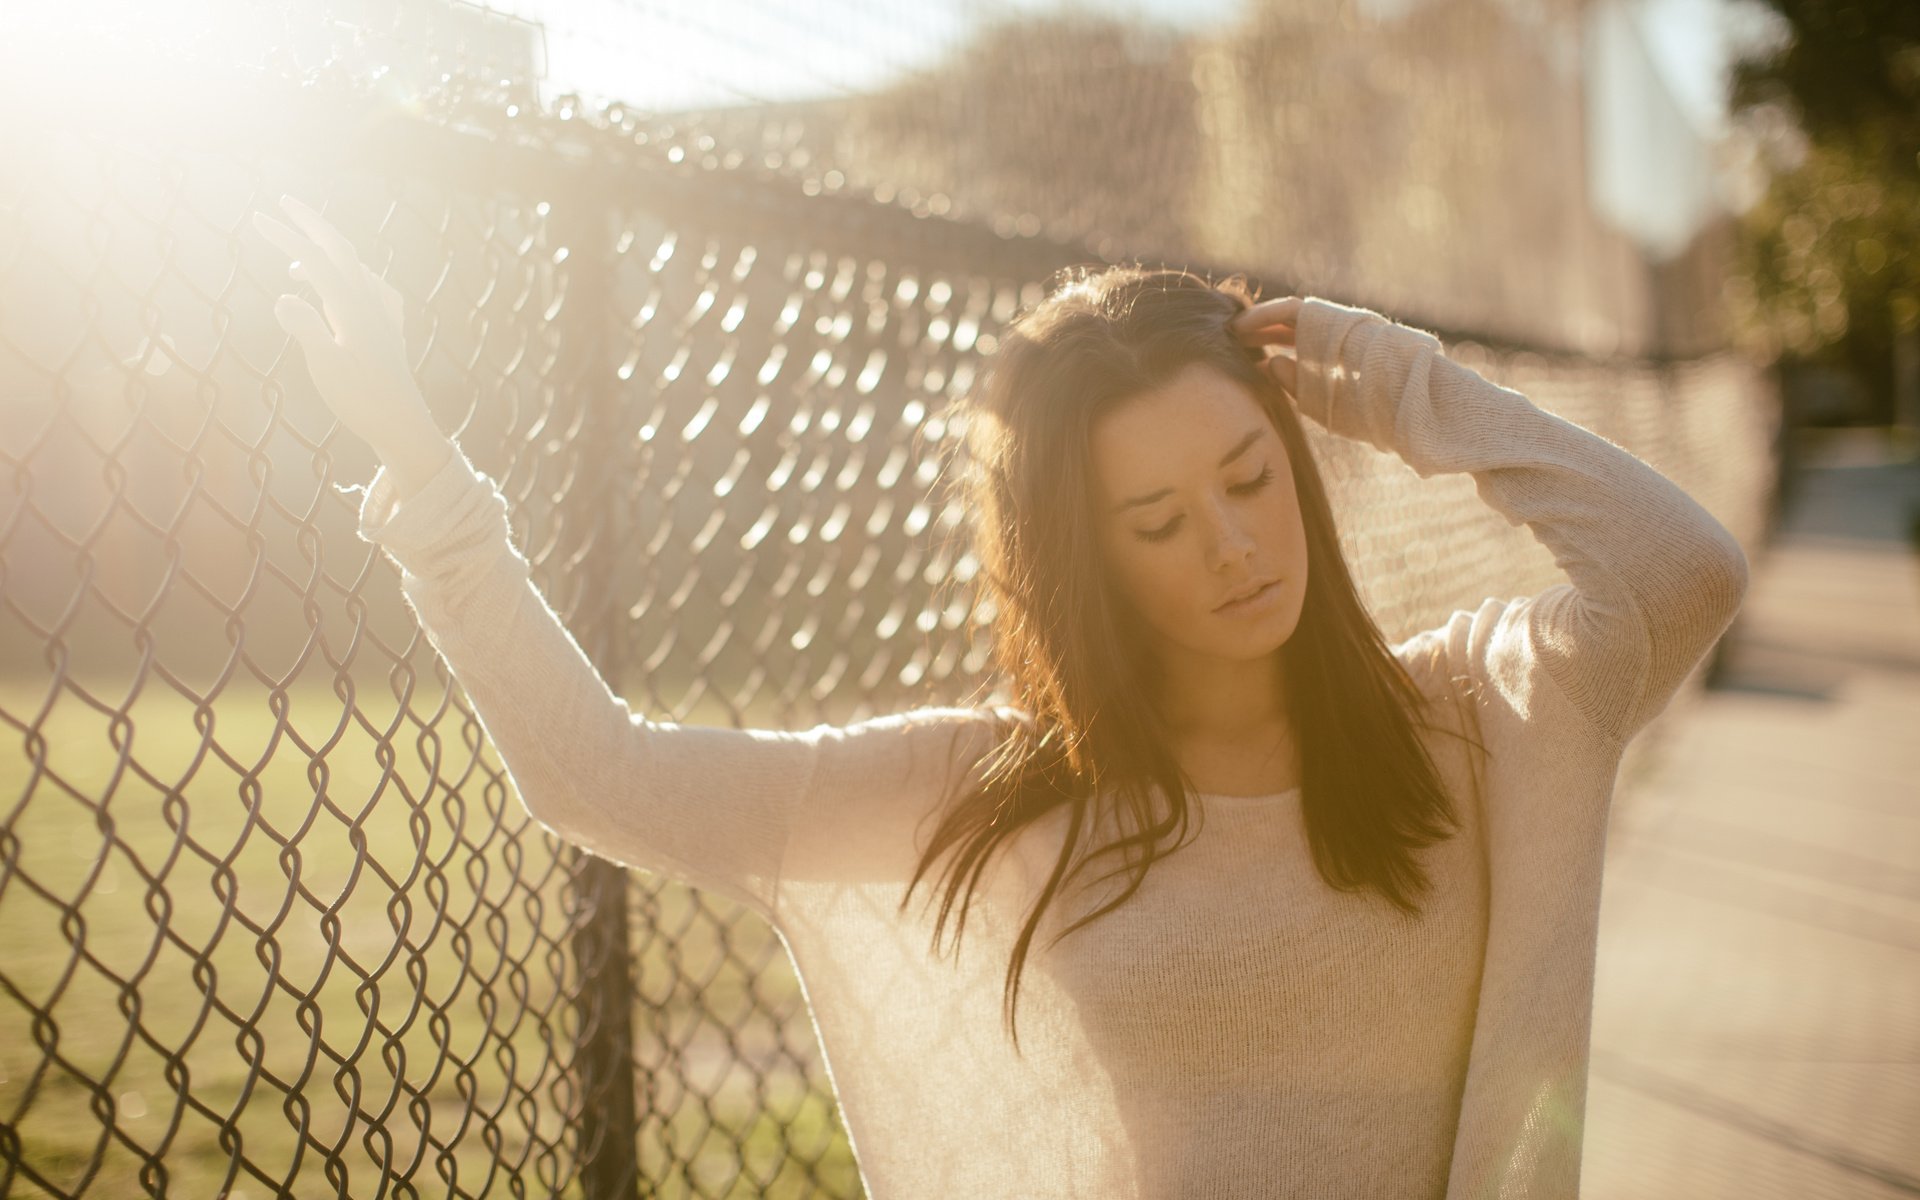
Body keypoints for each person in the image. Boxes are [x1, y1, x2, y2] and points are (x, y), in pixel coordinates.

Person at [253, 193, 1749, 1198]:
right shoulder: (996, 792)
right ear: (1085, 567)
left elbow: (1680, 571)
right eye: (1156, 524)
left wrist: (1401, 385)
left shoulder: (1476, 717)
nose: (1231, 544)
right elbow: (604, 777)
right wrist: (422, 465)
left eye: (1250, 478)